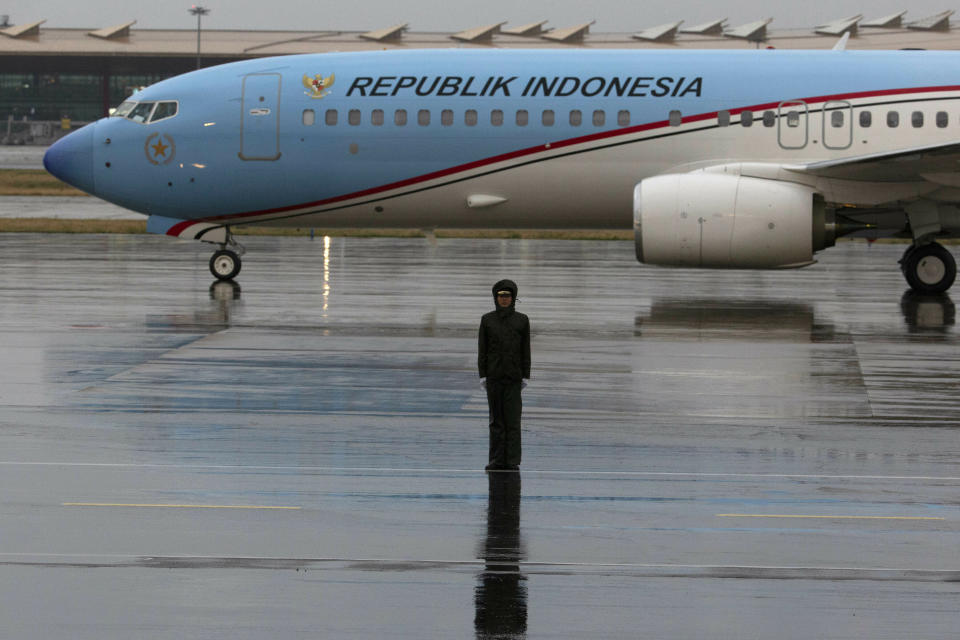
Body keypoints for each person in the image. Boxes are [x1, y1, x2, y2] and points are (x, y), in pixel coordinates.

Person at [478, 279, 530, 471]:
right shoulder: (487, 320)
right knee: (496, 421)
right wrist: (482, 374)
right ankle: (497, 460)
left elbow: (526, 350)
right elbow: (482, 350)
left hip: (514, 378)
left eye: (507, 296)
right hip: (494, 378)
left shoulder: (522, 320)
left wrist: (526, 375)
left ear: (513, 298)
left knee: (513, 421)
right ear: (496, 298)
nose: (504, 299)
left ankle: (513, 460)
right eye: (501, 296)